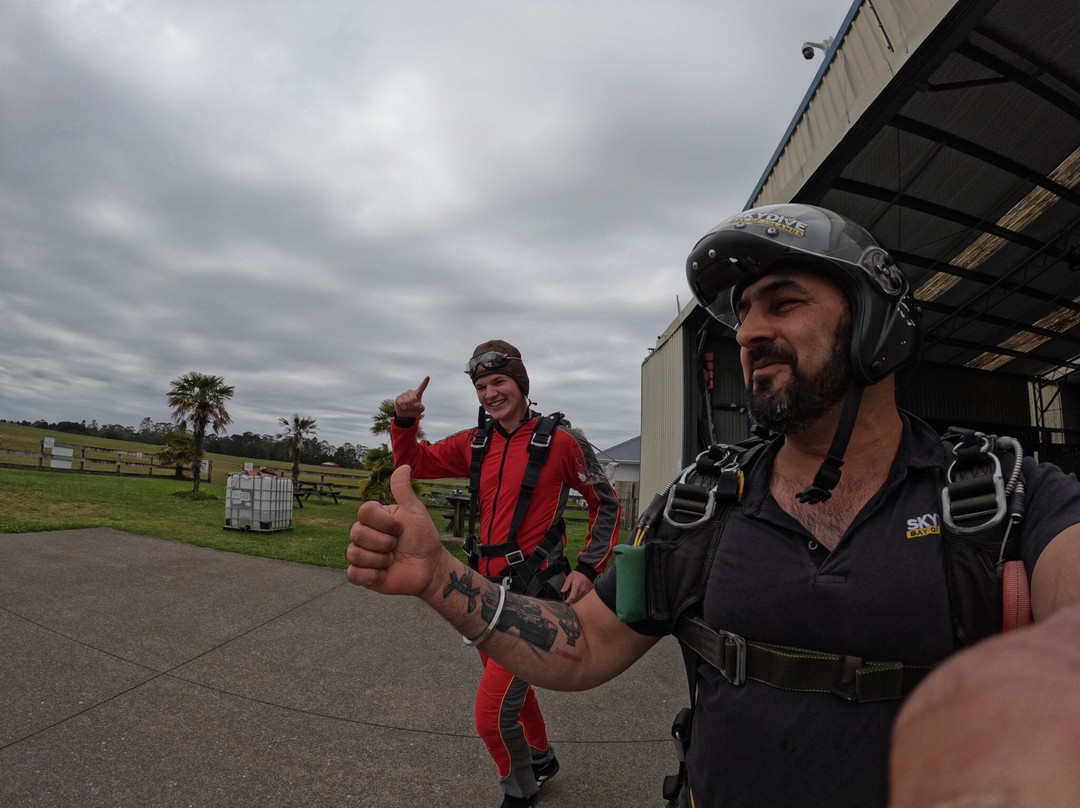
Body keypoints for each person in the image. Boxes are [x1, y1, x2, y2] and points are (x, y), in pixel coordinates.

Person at [347, 206, 1080, 808]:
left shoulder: (999, 499)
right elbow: (584, 644)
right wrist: (439, 573)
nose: (750, 331)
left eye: (784, 303)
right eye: (744, 316)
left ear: (876, 324)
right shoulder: (701, 507)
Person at [388, 339, 622, 808]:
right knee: (517, 687)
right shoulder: (476, 444)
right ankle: (541, 757)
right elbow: (412, 464)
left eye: (499, 382)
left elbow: (606, 501)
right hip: (484, 591)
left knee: (491, 715)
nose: (491, 393)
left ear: (521, 383)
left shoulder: (561, 442)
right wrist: (405, 421)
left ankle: (520, 791)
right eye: (481, 386)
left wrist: (589, 569)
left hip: (536, 592)